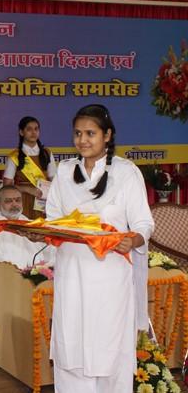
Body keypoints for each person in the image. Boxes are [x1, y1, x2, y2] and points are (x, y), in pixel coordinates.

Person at [45, 104, 153, 392]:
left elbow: (143, 223)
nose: (83, 140)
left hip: (110, 277)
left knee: (108, 345)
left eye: (90, 133)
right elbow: (53, 219)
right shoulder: (65, 171)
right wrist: (40, 233)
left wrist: (134, 240)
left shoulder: (127, 172)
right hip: (71, 274)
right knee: (72, 346)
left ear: (107, 135)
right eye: (78, 133)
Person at [0, 185, 55, 268]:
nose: (14, 204)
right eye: (8, 201)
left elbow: (49, 253)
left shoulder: (31, 224)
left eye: (18, 200)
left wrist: (44, 241)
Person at [3, 116, 56, 219]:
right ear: (21, 132)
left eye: (36, 129)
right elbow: (7, 186)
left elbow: (54, 179)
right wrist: (27, 189)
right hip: (23, 200)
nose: (33, 132)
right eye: (29, 129)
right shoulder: (15, 156)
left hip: (44, 200)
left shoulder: (47, 153)